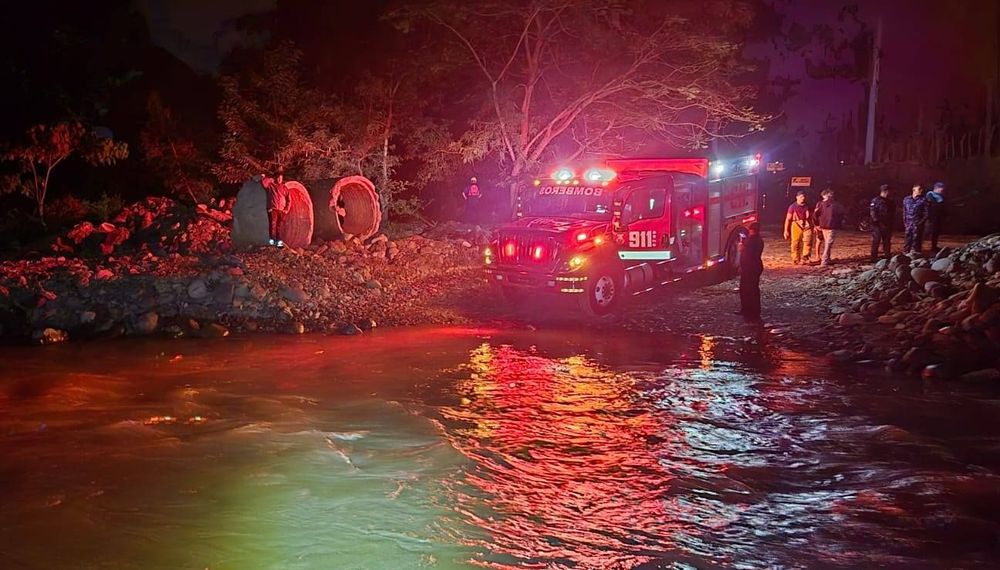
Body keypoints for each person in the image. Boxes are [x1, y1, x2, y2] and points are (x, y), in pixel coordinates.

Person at [736, 222, 765, 324]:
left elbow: (746, 255)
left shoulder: (751, 241)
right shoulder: (758, 240)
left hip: (750, 268)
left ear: (752, 230)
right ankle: (752, 311)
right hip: (755, 267)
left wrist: (741, 248)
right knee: (752, 289)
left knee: (747, 290)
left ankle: (750, 312)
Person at [813, 188, 845, 266]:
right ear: (827, 195)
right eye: (830, 194)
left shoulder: (819, 204)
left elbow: (815, 215)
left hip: (823, 226)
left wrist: (816, 224)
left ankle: (827, 258)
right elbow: (841, 214)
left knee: (827, 242)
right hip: (831, 226)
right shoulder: (835, 204)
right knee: (828, 243)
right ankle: (824, 261)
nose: (832, 195)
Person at [782, 190, 813, 265]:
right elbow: (788, 219)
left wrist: (814, 225)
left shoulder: (808, 206)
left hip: (806, 224)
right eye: (801, 197)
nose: (803, 198)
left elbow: (812, 217)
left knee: (808, 240)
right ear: (797, 198)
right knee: (795, 242)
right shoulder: (792, 207)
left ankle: (806, 256)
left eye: (804, 196)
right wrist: (786, 230)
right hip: (796, 224)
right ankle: (795, 259)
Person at [263, 171, 289, 248]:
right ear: (275, 178)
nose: (279, 179)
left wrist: (286, 209)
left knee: (279, 227)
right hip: (273, 209)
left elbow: (288, 200)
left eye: (280, 178)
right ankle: (271, 242)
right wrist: (269, 178)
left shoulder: (284, 188)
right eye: (278, 178)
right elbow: (264, 183)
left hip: (281, 210)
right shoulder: (271, 186)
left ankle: (279, 243)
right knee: (272, 225)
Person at [869, 184, 894, 262]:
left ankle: (887, 256)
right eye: (889, 191)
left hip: (887, 224)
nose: (890, 193)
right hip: (878, 225)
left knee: (887, 242)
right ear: (885, 191)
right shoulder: (876, 200)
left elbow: (892, 213)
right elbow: (873, 212)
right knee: (876, 241)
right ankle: (873, 258)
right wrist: (877, 222)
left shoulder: (890, 201)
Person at [903, 184, 928, 254]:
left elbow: (926, 214)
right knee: (907, 241)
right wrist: (905, 223)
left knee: (916, 241)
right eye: (919, 189)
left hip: (917, 224)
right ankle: (905, 254)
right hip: (908, 224)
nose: (921, 190)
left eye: (921, 189)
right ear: (914, 190)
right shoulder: (906, 199)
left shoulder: (923, 200)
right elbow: (904, 212)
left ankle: (915, 257)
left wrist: (920, 223)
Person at [925, 181, 947, 252]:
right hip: (930, 217)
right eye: (941, 189)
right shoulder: (930, 194)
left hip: (937, 218)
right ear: (937, 188)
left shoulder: (941, 196)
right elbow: (932, 205)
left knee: (935, 233)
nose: (942, 191)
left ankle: (934, 247)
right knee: (929, 232)